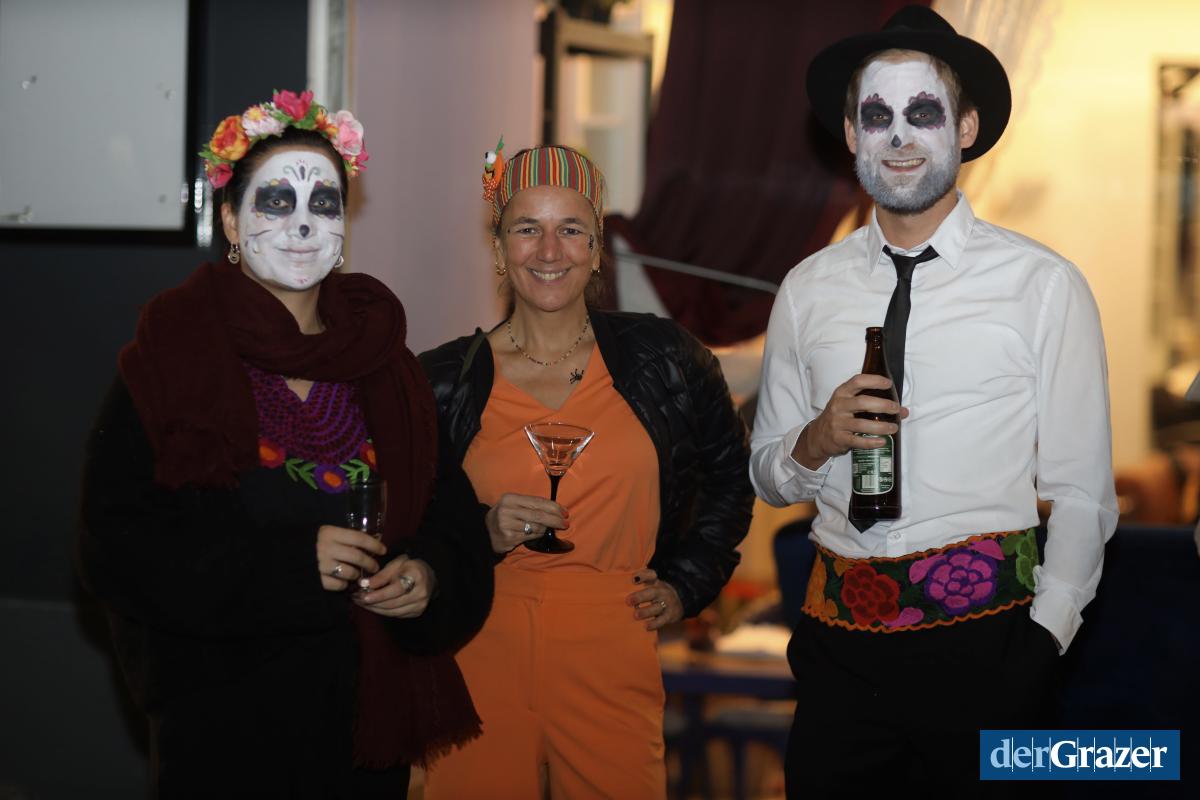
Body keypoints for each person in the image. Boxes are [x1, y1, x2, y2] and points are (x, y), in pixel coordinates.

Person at [76, 91, 493, 798]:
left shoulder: (385, 363)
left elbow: (449, 520)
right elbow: (116, 548)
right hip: (225, 731)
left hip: (363, 738)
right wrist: (291, 566)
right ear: (231, 221)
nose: (303, 224)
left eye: (324, 203)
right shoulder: (171, 359)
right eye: (276, 201)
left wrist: (428, 577)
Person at [749, 7, 1117, 795]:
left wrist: (1044, 642)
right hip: (838, 651)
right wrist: (815, 441)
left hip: (991, 649)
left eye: (924, 112)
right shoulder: (807, 289)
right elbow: (767, 474)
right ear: (851, 133)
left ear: (966, 127)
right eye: (876, 115)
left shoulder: (1044, 286)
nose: (899, 137)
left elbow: (1083, 493)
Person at [419, 143, 754, 799]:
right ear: (499, 248)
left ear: (598, 249)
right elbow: (411, 520)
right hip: (480, 639)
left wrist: (687, 584)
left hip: (614, 638)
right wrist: (479, 533)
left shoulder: (667, 359)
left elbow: (730, 478)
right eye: (527, 228)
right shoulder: (442, 379)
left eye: (571, 229)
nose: (550, 250)